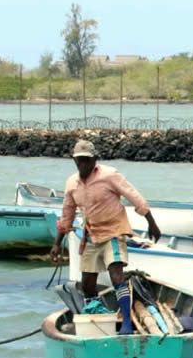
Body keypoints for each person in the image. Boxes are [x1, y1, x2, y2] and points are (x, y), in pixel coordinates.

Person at [50, 139, 161, 334]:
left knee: (116, 274)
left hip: (114, 232)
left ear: (94, 160)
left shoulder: (109, 175)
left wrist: (151, 222)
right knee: (87, 284)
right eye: (79, 160)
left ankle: (126, 322)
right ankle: (95, 314)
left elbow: (133, 196)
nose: (82, 164)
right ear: (74, 161)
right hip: (91, 235)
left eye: (86, 160)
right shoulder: (72, 184)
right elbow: (67, 214)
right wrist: (57, 244)